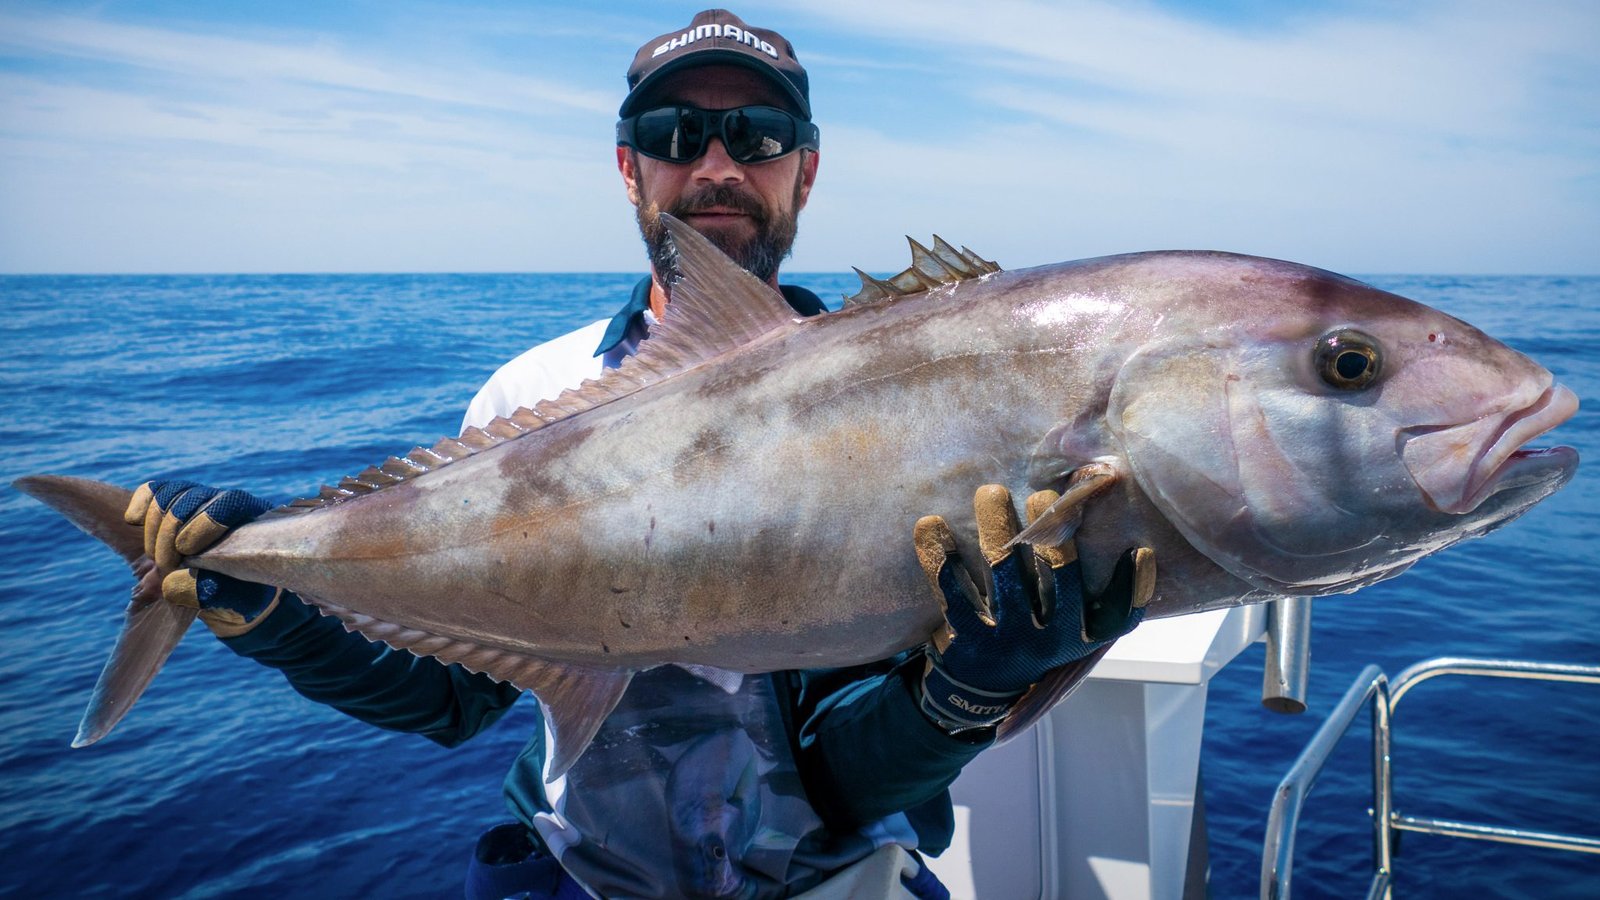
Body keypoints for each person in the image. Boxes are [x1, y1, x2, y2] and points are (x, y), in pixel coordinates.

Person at [125, 10, 1149, 899]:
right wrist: (268, 612)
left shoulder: (912, 409)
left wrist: (969, 688)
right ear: (630, 168)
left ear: (806, 167)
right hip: (577, 879)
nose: (716, 166)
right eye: (675, 134)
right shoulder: (532, 399)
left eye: (757, 135)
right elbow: (448, 698)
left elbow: (847, 780)